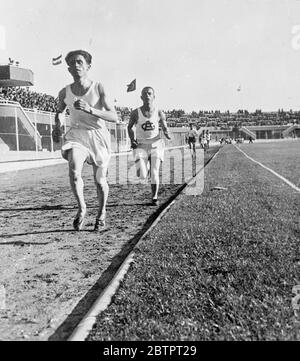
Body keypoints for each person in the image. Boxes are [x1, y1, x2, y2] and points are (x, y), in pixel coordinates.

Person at [52, 50, 118, 231]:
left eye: (80, 62)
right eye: (72, 63)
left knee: (100, 181)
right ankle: (82, 209)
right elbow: (59, 112)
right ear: (68, 69)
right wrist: (57, 125)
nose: (76, 65)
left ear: (88, 66)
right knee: (74, 171)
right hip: (77, 135)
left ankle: (102, 212)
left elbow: (114, 117)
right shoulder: (64, 92)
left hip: (98, 136)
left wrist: (91, 110)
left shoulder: (98, 88)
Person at [127, 86, 171, 206]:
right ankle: (144, 173)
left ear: (154, 96)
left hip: (156, 144)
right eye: (145, 94)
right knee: (142, 174)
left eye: (150, 93)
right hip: (141, 145)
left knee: (154, 172)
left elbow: (164, 125)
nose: (147, 95)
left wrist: (167, 133)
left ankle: (154, 197)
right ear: (141, 97)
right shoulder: (136, 112)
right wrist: (132, 140)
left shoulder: (159, 112)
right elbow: (129, 127)